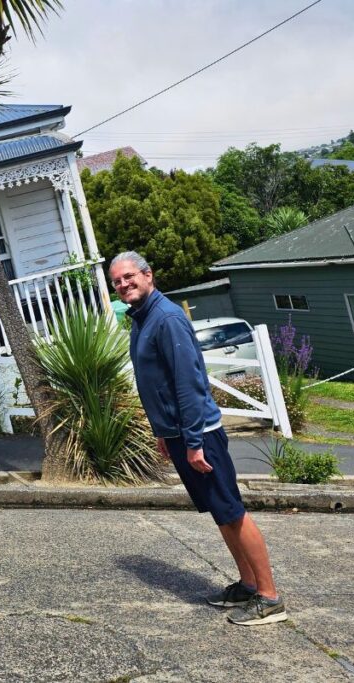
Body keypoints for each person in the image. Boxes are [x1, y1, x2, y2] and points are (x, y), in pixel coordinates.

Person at [110, 251, 286, 626]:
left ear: (148, 275)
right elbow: (157, 384)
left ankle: (269, 597)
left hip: (199, 435)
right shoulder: (141, 319)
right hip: (178, 434)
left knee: (232, 511)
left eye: (129, 277)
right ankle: (248, 584)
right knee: (221, 514)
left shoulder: (167, 318)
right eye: (117, 281)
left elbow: (188, 385)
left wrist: (192, 442)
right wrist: (163, 432)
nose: (124, 284)